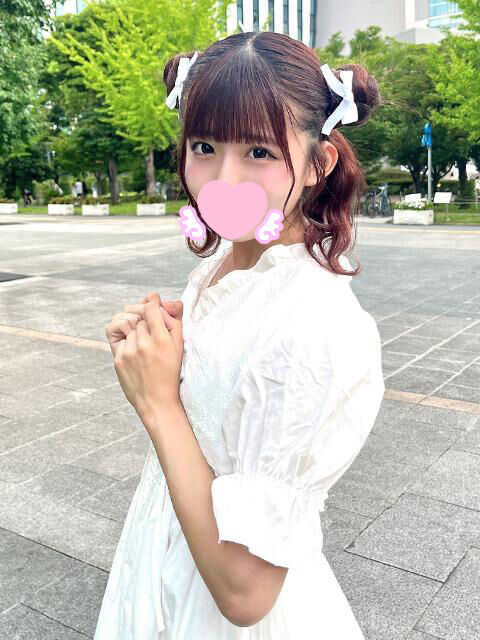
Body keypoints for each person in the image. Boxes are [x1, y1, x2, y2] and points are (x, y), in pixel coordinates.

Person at [96, 31, 384, 640]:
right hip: (165, 555)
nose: (223, 179)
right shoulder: (227, 264)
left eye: (259, 151)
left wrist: (157, 401)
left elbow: (246, 592)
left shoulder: (314, 325)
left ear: (319, 163)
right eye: (204, 146)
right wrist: (161, 356)